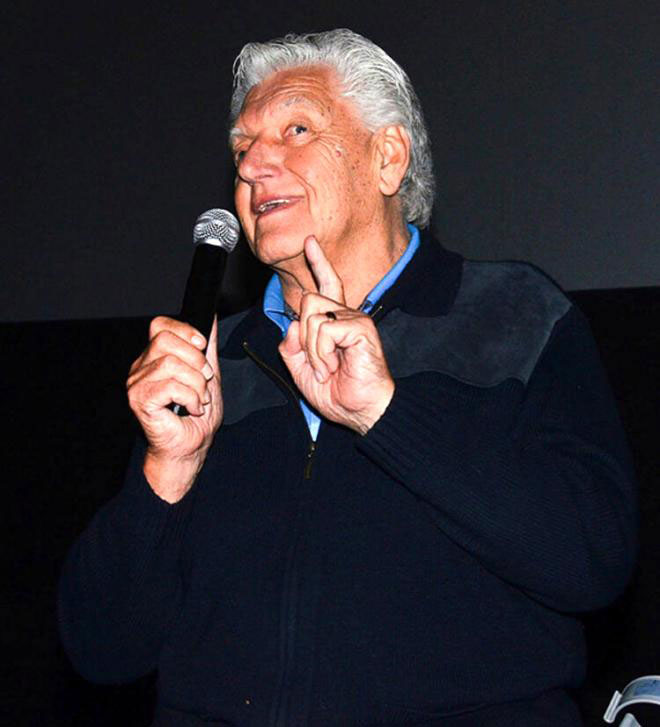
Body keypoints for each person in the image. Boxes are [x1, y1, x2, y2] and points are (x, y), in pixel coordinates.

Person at [58, 29, 637, 726]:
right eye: (242, 149)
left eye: (296, 130)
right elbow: (102, 648)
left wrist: (386, 415)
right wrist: (168, 472)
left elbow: (591, 559)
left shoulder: (512, 317)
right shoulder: (211, 365)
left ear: (387, 158)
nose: (254, 165)